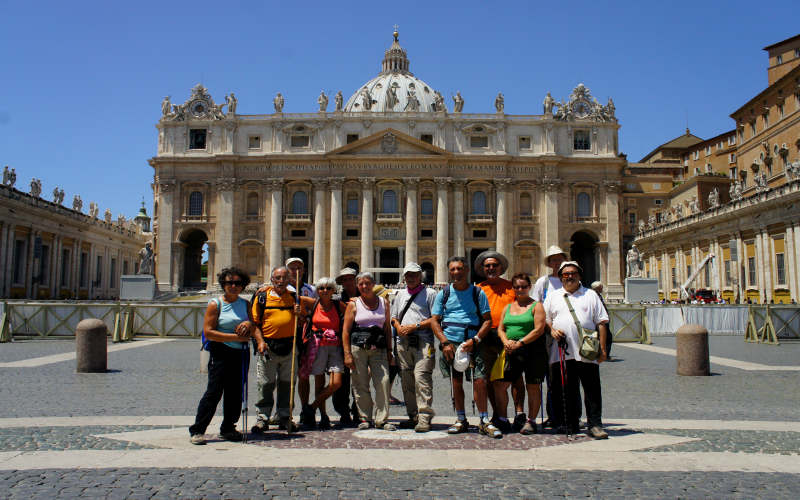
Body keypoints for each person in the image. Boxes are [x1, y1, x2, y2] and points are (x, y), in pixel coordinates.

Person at [431, 257, 500, 438]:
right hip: (450, 343)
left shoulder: (478, 293)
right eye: (452, 269)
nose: (456, 272)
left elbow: (487, 320)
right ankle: (461, 419)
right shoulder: (443, 294)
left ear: (467, 270)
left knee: (480, 381)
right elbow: (434, 321)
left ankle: (484, 420)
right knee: (456, 382)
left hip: (473, 342)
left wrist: (476, 340)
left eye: (459, 269)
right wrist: (444, 342)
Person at [544, 261, 610, 439]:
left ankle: (595, 424)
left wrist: (603, 349)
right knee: (565, 389)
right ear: (560, 277)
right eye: (565, 274)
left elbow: (602, 322)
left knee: (591, 389)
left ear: (579, 275)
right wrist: (552, 330)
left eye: (573, 273)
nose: (569, 276)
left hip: (587, 350)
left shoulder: (591, 295)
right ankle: (569, 423)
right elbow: (546, 319)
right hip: (561, 352)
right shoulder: (553, 296)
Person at [189, 267, 255, 444]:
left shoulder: (245, 304)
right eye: (229, 283)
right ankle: (198, 430)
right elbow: (208, 332)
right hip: (221, 352)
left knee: (235, 392)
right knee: (214, 391)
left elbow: (253, 325)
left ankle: (228, 427)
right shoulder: (214, 304)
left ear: (243, 286)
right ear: (223, 285)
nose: (233, 286)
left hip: (241, 352)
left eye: (237, 283)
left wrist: (249, 324)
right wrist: (236, 337)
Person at [474, 250, 526, 433]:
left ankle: (519, 413)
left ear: (501, 268)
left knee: (515, 376)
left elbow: (525, 307)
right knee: (489, 377)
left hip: (509, 336)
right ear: (482, 269)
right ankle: (498, 414)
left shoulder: (512, 287)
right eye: (487, 266)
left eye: (494, 265)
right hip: (487, 336)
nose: (491, 268)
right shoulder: (479, 288)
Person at [250, 267, 303, 433]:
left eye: (284, 278)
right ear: (272, 280)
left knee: (288, 384)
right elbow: (254, 323)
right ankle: (263, 418)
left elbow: (301, 321)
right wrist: (259, 341)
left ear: (290, 280)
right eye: (278, 278)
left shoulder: (294, 297)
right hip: (268, 347)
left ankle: (284, 416)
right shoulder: (262, 297)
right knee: (265, 383)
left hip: (289, 345)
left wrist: (300, 314)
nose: (281, 281)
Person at [494, 273, 547, 435]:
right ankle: (503, 419)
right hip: (511, 349)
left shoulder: (537, 306)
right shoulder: (508, 307)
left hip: (532, 350)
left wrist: (520, 342)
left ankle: (531, 421)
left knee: (532, 386)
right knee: (500, 385)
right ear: (513, 288)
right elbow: (500, 328)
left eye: (523, 286)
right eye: (517, 287)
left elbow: (539, 329)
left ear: (529, 287)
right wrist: (505, 342)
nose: (520, 289)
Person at [342, 272, 395, 430]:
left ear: (373, 284)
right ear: (358, 286)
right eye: (361, 284)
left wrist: (389, 349)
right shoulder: (353, 304)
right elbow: (346, 331)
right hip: (358, 348)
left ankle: (381, 419)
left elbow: (387, 328)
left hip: (379, 348)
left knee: (383, 382)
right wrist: (347, 354)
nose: (364, 286)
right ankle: (365, 418)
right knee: (360, 383)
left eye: (367, 283)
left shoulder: (384, 302)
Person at [390, 263, 438, 432]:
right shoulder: (400, 294)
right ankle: (413, 416)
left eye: (414, 275)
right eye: (408, 275)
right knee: (407, 380)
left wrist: (415, 326)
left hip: (423, 342)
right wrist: (398, 327)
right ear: (404, 277)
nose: (411, 278)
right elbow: (394, 317)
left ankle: (425, 417)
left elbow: (435, 319)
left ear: (420, 276)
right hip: (403, 343)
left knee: (422, 378)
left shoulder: (431, 294)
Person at [299, 277, 347, 430]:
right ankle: (323, 415)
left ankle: (311, 407)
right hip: (317, 345)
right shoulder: (314, 304)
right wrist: (300, 312)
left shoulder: (338, 305)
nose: (325, 291)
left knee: (336, 382)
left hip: (335, 346)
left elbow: (351, 316)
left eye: (328, 288)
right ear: (317, 291)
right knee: (319, 382)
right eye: (321, 288)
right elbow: (296, 298)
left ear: (334, 290)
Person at [284, 257, 319, 429]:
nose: (296, 271)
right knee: (285, 377)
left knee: (303, 375)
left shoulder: (310, 290)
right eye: (292, 268)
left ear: (304, 270)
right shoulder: (278, 290)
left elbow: (317, 310)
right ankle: (284, 411)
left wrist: (305, 307)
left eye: (299, 268)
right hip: (285, 337)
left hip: (304, 336)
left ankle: (305, 408)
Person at [331, 267, 359, 426]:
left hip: (360, 344)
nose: (348, 282)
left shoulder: (366, 297)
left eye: (351, 279)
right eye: (345, 279)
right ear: (341, 282)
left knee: (359, 380)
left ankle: (357, 411)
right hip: (339, 345)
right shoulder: (336, 300)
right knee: (340, 381)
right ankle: (343, 412)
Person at [591, 281, 612, 359]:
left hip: (603, 319)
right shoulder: (593, 296)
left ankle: (603, 353)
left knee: (605, 337)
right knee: (605, 337)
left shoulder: (599, 295)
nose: (602, 288)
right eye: (601, 287)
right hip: (599, 321)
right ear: (597, 288)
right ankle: (603, 354)